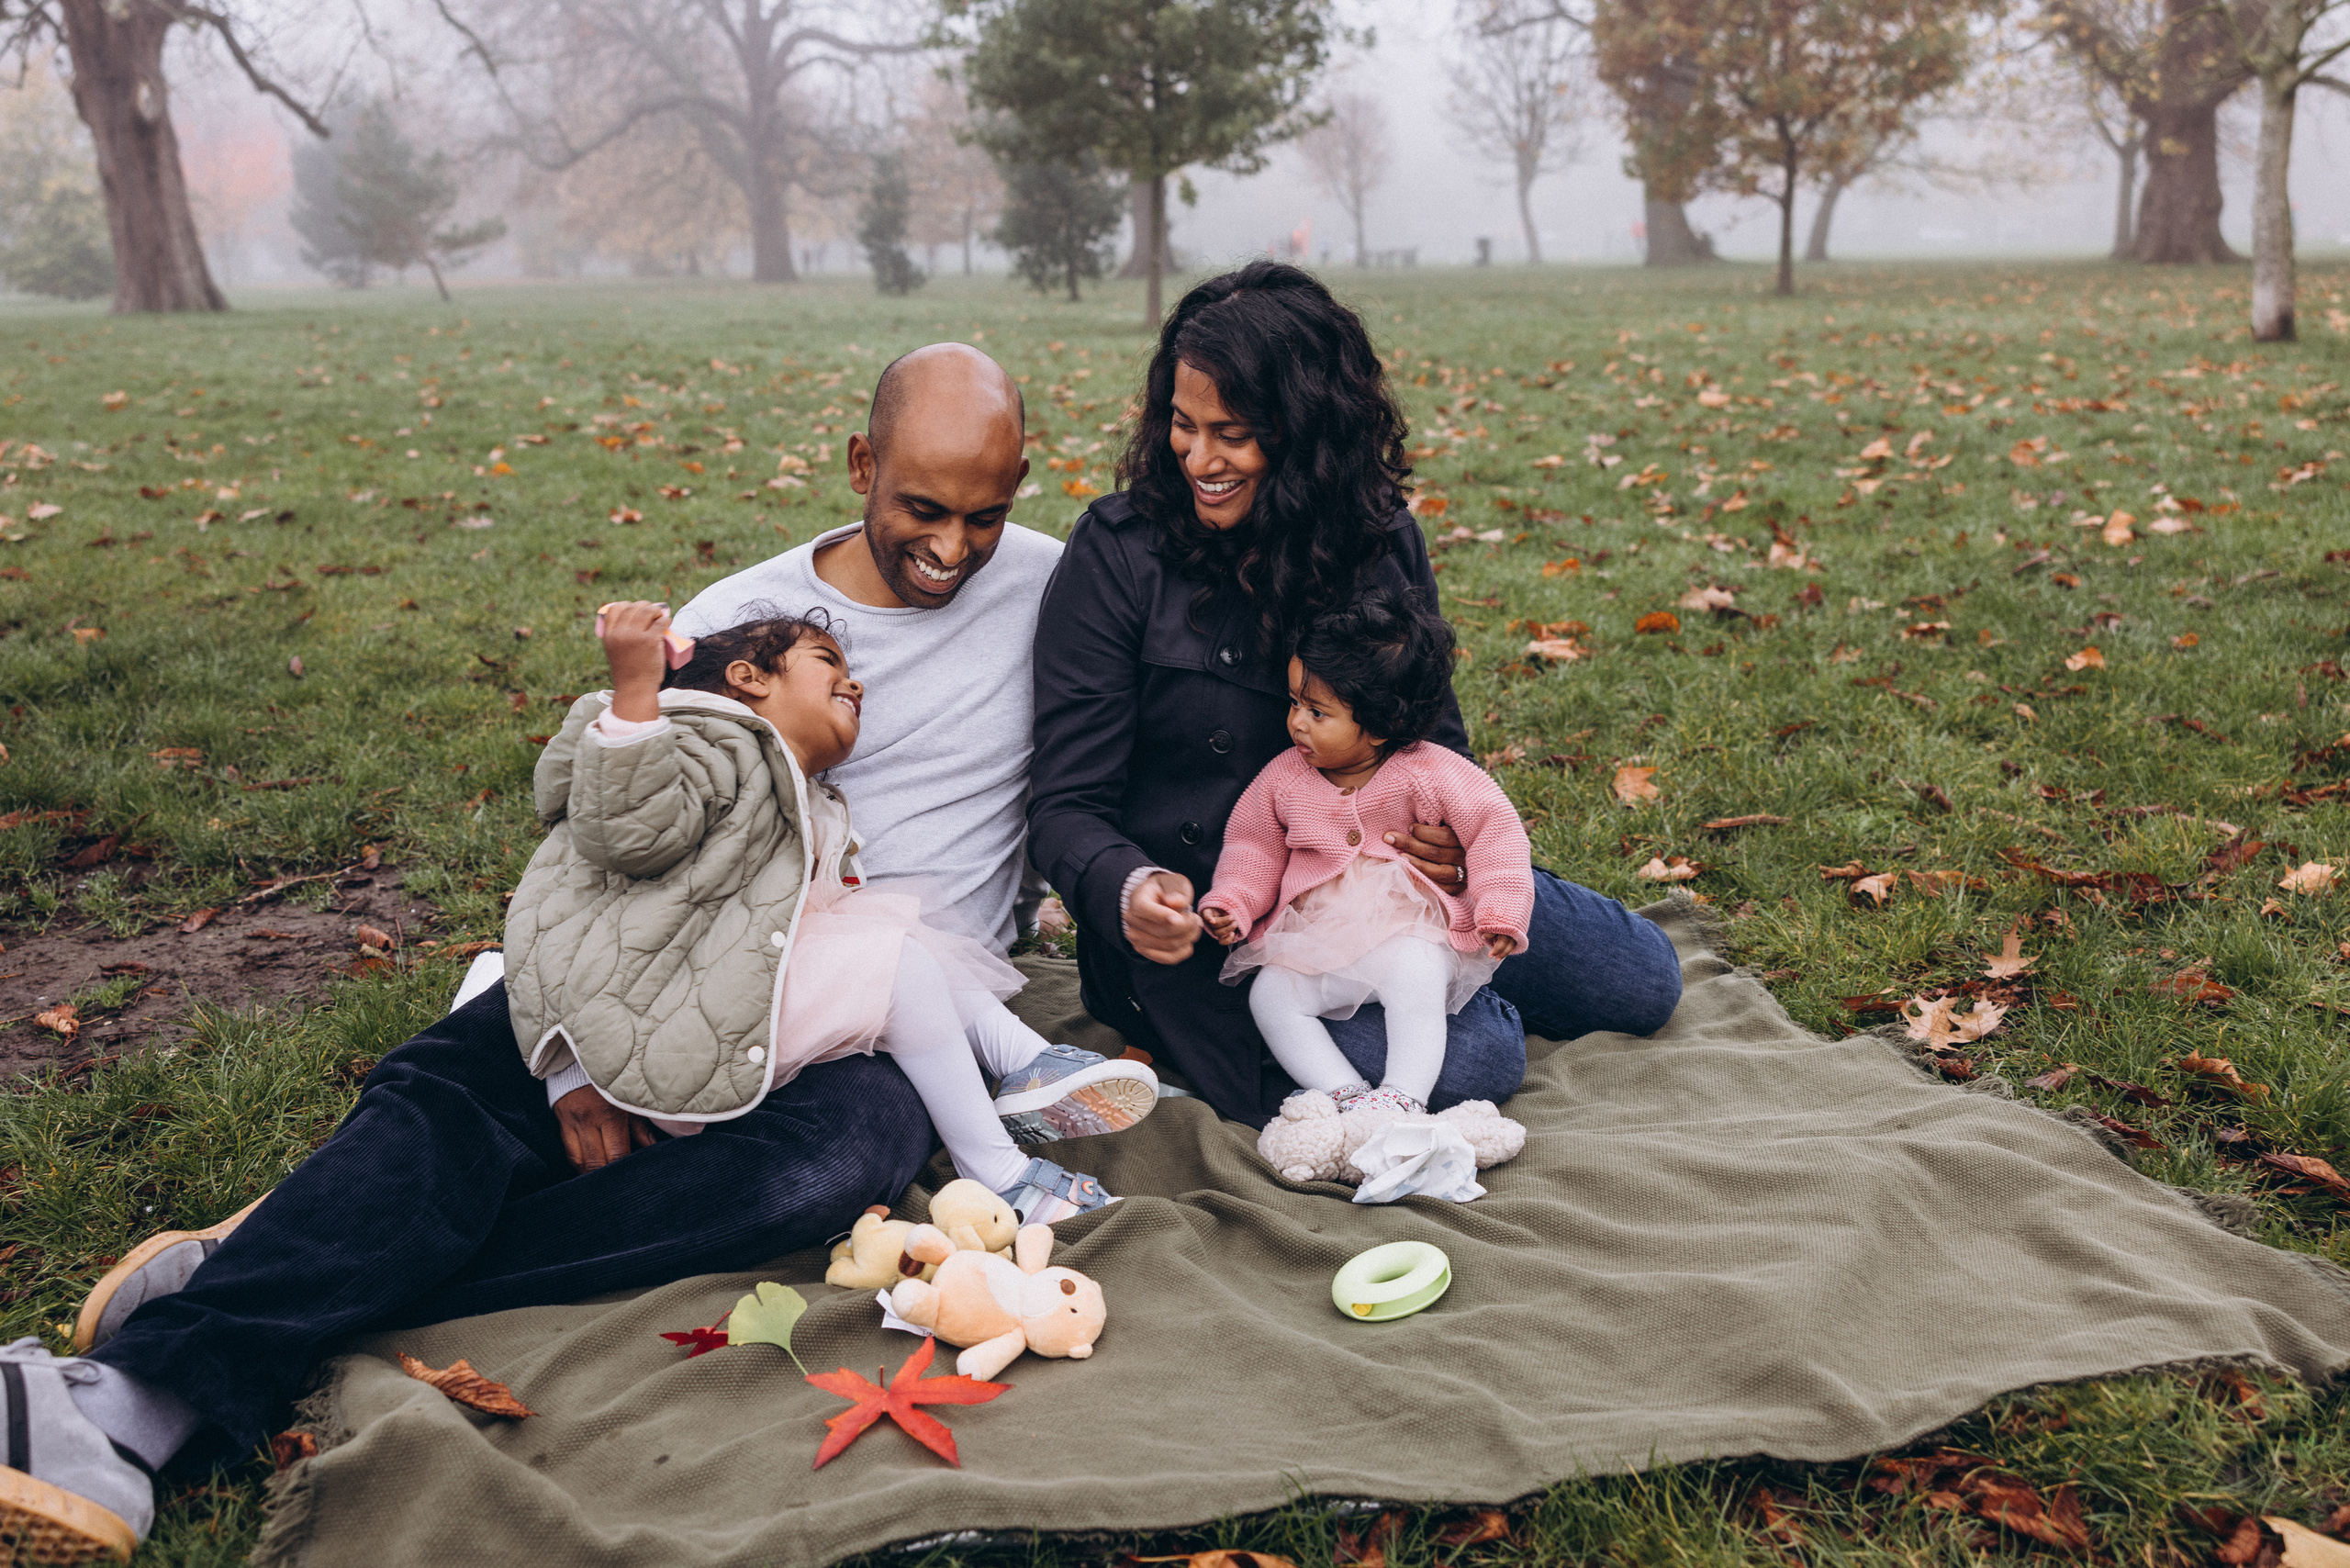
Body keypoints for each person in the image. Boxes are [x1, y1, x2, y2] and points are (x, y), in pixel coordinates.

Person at [0, 343, 1115, 1562]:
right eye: (923, 509)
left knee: (830, 1164)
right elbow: (594, 857)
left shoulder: (1060, 589)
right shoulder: (729, 630)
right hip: (671, 965)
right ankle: (122, 1404)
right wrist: (573, 1054)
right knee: (473, 1091)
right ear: (859, 463)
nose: (956, 548)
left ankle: (262, 1278)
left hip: (871, 1019)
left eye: (988, 516)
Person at [1027, 261, 1685, 1126]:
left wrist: (1450, 844)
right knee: (1477, 1061)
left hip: (1395, 883)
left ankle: (1455, 983)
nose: (1199, 458)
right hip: (1230, 924)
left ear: (1305, 434)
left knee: (1643, 978)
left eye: (1233, 433)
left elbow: (1436, 739)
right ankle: (1443, 1019)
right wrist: (1125, 887)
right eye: (1182, 425)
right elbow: (1065, 804)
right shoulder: (1119, 553)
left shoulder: (1376, 539)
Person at [509, 599, 1147, 1214]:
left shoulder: (798, 795)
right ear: (748, 679)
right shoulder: (703, 742)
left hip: (713, 1001)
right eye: (827, 663)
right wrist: (634, 697)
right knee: (898, 967)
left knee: (892, 921)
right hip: (668, 1029)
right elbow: (630, 831)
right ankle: (1001, 1177)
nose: (856, 684)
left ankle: (1026, 1063)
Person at [1200, 590, 1532, 1120]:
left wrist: (1500, 910)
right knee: (1271, 996)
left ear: (1380, 726)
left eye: (1317, 711)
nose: (1297, 723)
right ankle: (1344, 1094)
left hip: (1409, 932)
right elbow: (1252, 848)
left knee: (1414, 972)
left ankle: (1404, 1095)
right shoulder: (1283, 778)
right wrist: (1233, 903)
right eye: (1294, 703)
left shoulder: (1431, 772)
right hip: (1316, 940)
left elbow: (1497, 834)